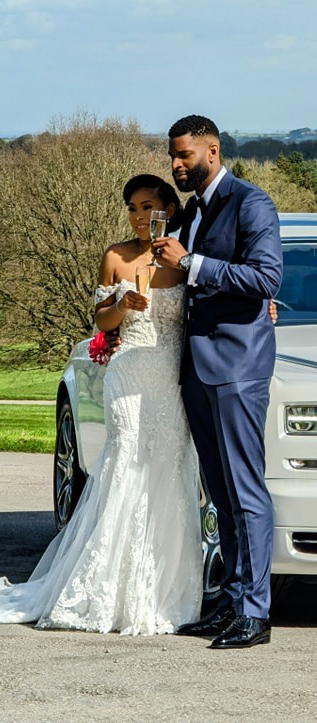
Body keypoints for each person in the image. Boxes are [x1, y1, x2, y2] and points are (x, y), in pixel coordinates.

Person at [0, 175, 203, 634]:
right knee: (126, 462)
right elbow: (100, 320)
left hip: (171, 377)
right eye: (131, 206)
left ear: (169, 209)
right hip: (128, 372)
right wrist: (123, 306)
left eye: (147, 205)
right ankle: (108, 586)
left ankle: (161, 588)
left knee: (169, 469)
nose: (138, 215)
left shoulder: (185, 258)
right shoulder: (115, 256)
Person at [152, 115, 282, 650]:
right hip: (195, 369)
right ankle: (231, 602)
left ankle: (256, 613)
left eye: (185, 155)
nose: (177, 165)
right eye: (172, 157)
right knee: (222, 495)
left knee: (246, 490)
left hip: (236, 367)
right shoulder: (192, 211)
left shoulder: (251, 202)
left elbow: (266, 279)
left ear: (212, 148)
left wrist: (194, 264)